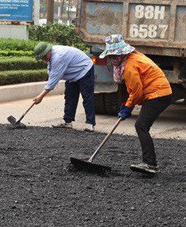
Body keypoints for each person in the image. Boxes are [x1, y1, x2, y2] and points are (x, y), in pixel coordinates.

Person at [99, 34, 172, 175]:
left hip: (158, 94)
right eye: (111, 56)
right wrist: (128, 105)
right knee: (142, 125)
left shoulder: (129, 66)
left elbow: (137, 92)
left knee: (141, 125)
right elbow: (136, 90)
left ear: (121, 53)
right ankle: (150, 163)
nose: (112, 59)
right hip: (158, 93)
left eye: (114, 56)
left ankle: (150, 164)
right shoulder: (133, 56)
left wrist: (128, 107)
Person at [32, 42, 96, 132]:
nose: (43, 59)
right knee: (70, 97)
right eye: (41, 58)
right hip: (72, 74)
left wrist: (40, 96)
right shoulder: (51, 56)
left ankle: (90, 123)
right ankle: (68, 122)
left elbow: (53, 81)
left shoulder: (58, 57)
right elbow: (51, 71)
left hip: (84, 69)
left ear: (49, 51)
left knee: (87, 97)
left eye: (44, 57)